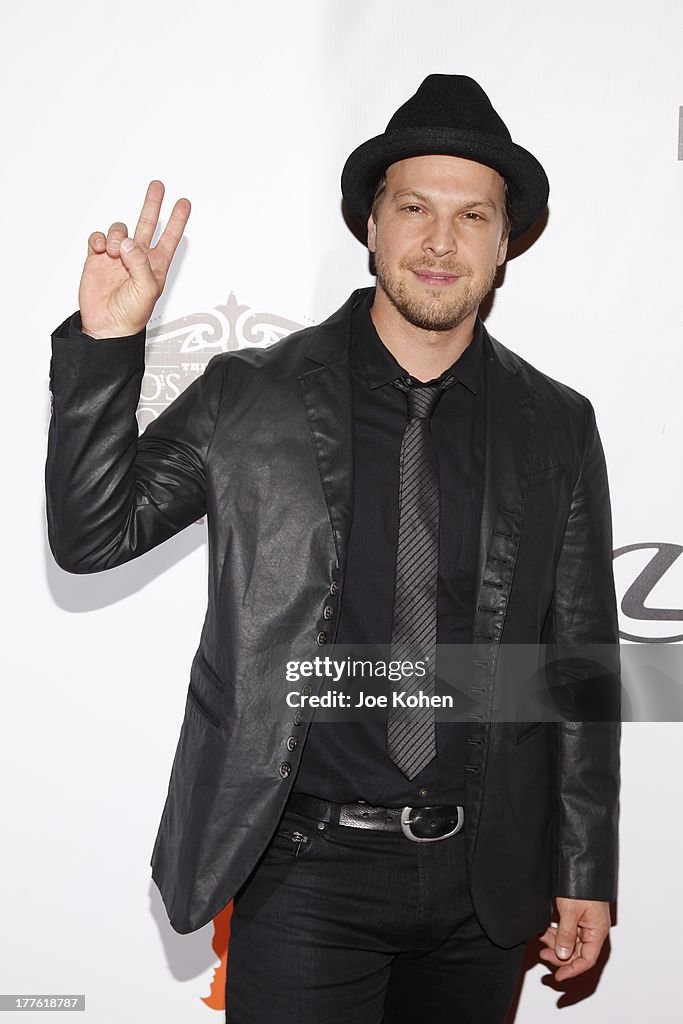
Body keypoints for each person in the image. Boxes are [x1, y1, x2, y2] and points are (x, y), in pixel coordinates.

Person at [46, 75, 620, 1023]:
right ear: (371, 228)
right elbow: (92, 533)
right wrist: (108, 345)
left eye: (473, 216)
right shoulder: (251, 396)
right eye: (413, 209)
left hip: (484, 882)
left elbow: (577, 667)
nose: (441, 242)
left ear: (505, 243)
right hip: (305, 869)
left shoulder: (555, 424)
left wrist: (583, 865)